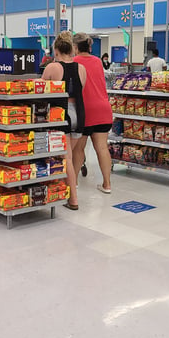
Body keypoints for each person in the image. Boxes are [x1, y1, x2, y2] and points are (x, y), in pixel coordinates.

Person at [42, 32, 86, 210]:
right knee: (69, 157)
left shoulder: (53, 67)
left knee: (66, 158)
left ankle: (73, 199)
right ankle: (63, 190)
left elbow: (40, 90)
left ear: (57, 49)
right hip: (80, 114)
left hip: (62, 115)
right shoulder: (81, 68)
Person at [72, 32, 113, 194]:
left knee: (78, 149)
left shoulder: (74, 62)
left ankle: (73, 182)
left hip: (84, 110)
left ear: (75, 47)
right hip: (103, 109)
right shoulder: (97, 61)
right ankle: (107, 184)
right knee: (102, 148)